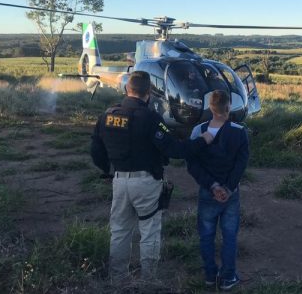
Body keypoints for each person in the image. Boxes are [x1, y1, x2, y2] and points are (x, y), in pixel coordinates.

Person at [90, 71, 214, 283]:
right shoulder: (150, 118)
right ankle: (148, 281)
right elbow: (174, 149)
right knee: (149, 231)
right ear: (149, 92)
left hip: (119, 181)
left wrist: (108, 171)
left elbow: (96, 150)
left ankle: (117, 280)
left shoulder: (107, 115)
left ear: (127, 89)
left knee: (119, 231)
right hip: (146, 182)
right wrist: (202, 140)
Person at [187, 90, 249, 291]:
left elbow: (192, 165)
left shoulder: (198, 132)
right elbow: (241, 164)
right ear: (229, 107)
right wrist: (228, 188)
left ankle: (209, 276)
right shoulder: (240, 132)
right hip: (231, 194)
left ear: (210, 107)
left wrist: (212, 186)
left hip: (207, 192)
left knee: (206, 235)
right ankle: (228, 277)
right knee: (229, 236)